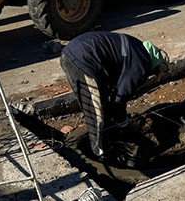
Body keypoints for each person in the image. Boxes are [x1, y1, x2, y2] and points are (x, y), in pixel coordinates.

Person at [59, 31, 168, 163]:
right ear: (155, 65)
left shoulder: (138, 48)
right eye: (156, 72)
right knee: (95, 111)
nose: (151, 76)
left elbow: (114, 85)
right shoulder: (142, 65)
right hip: (84, 59)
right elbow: (120, 98)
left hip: (73, 53)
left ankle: (108, 134)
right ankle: (100, 155)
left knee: (102, 101)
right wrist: (123, 124)